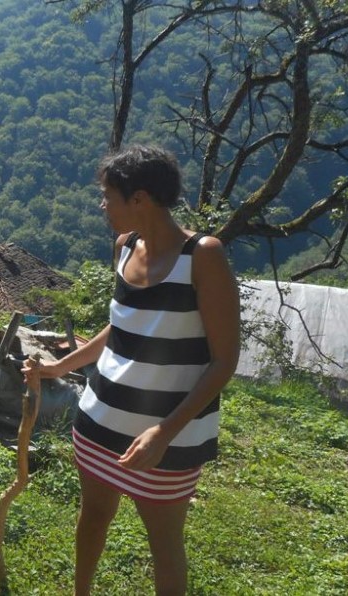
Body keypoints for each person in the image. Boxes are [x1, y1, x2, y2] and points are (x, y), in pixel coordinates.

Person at [24, 145, 240, 595]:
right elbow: (122, 325)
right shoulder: (124, 247)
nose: (103, 206)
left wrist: (164, 433)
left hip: (166, 441)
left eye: (108, 196)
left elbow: (224, 361)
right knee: (94, 516)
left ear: (139, 199)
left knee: (164, 543)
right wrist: (60, 366)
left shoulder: (203, 256)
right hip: (98, 420)